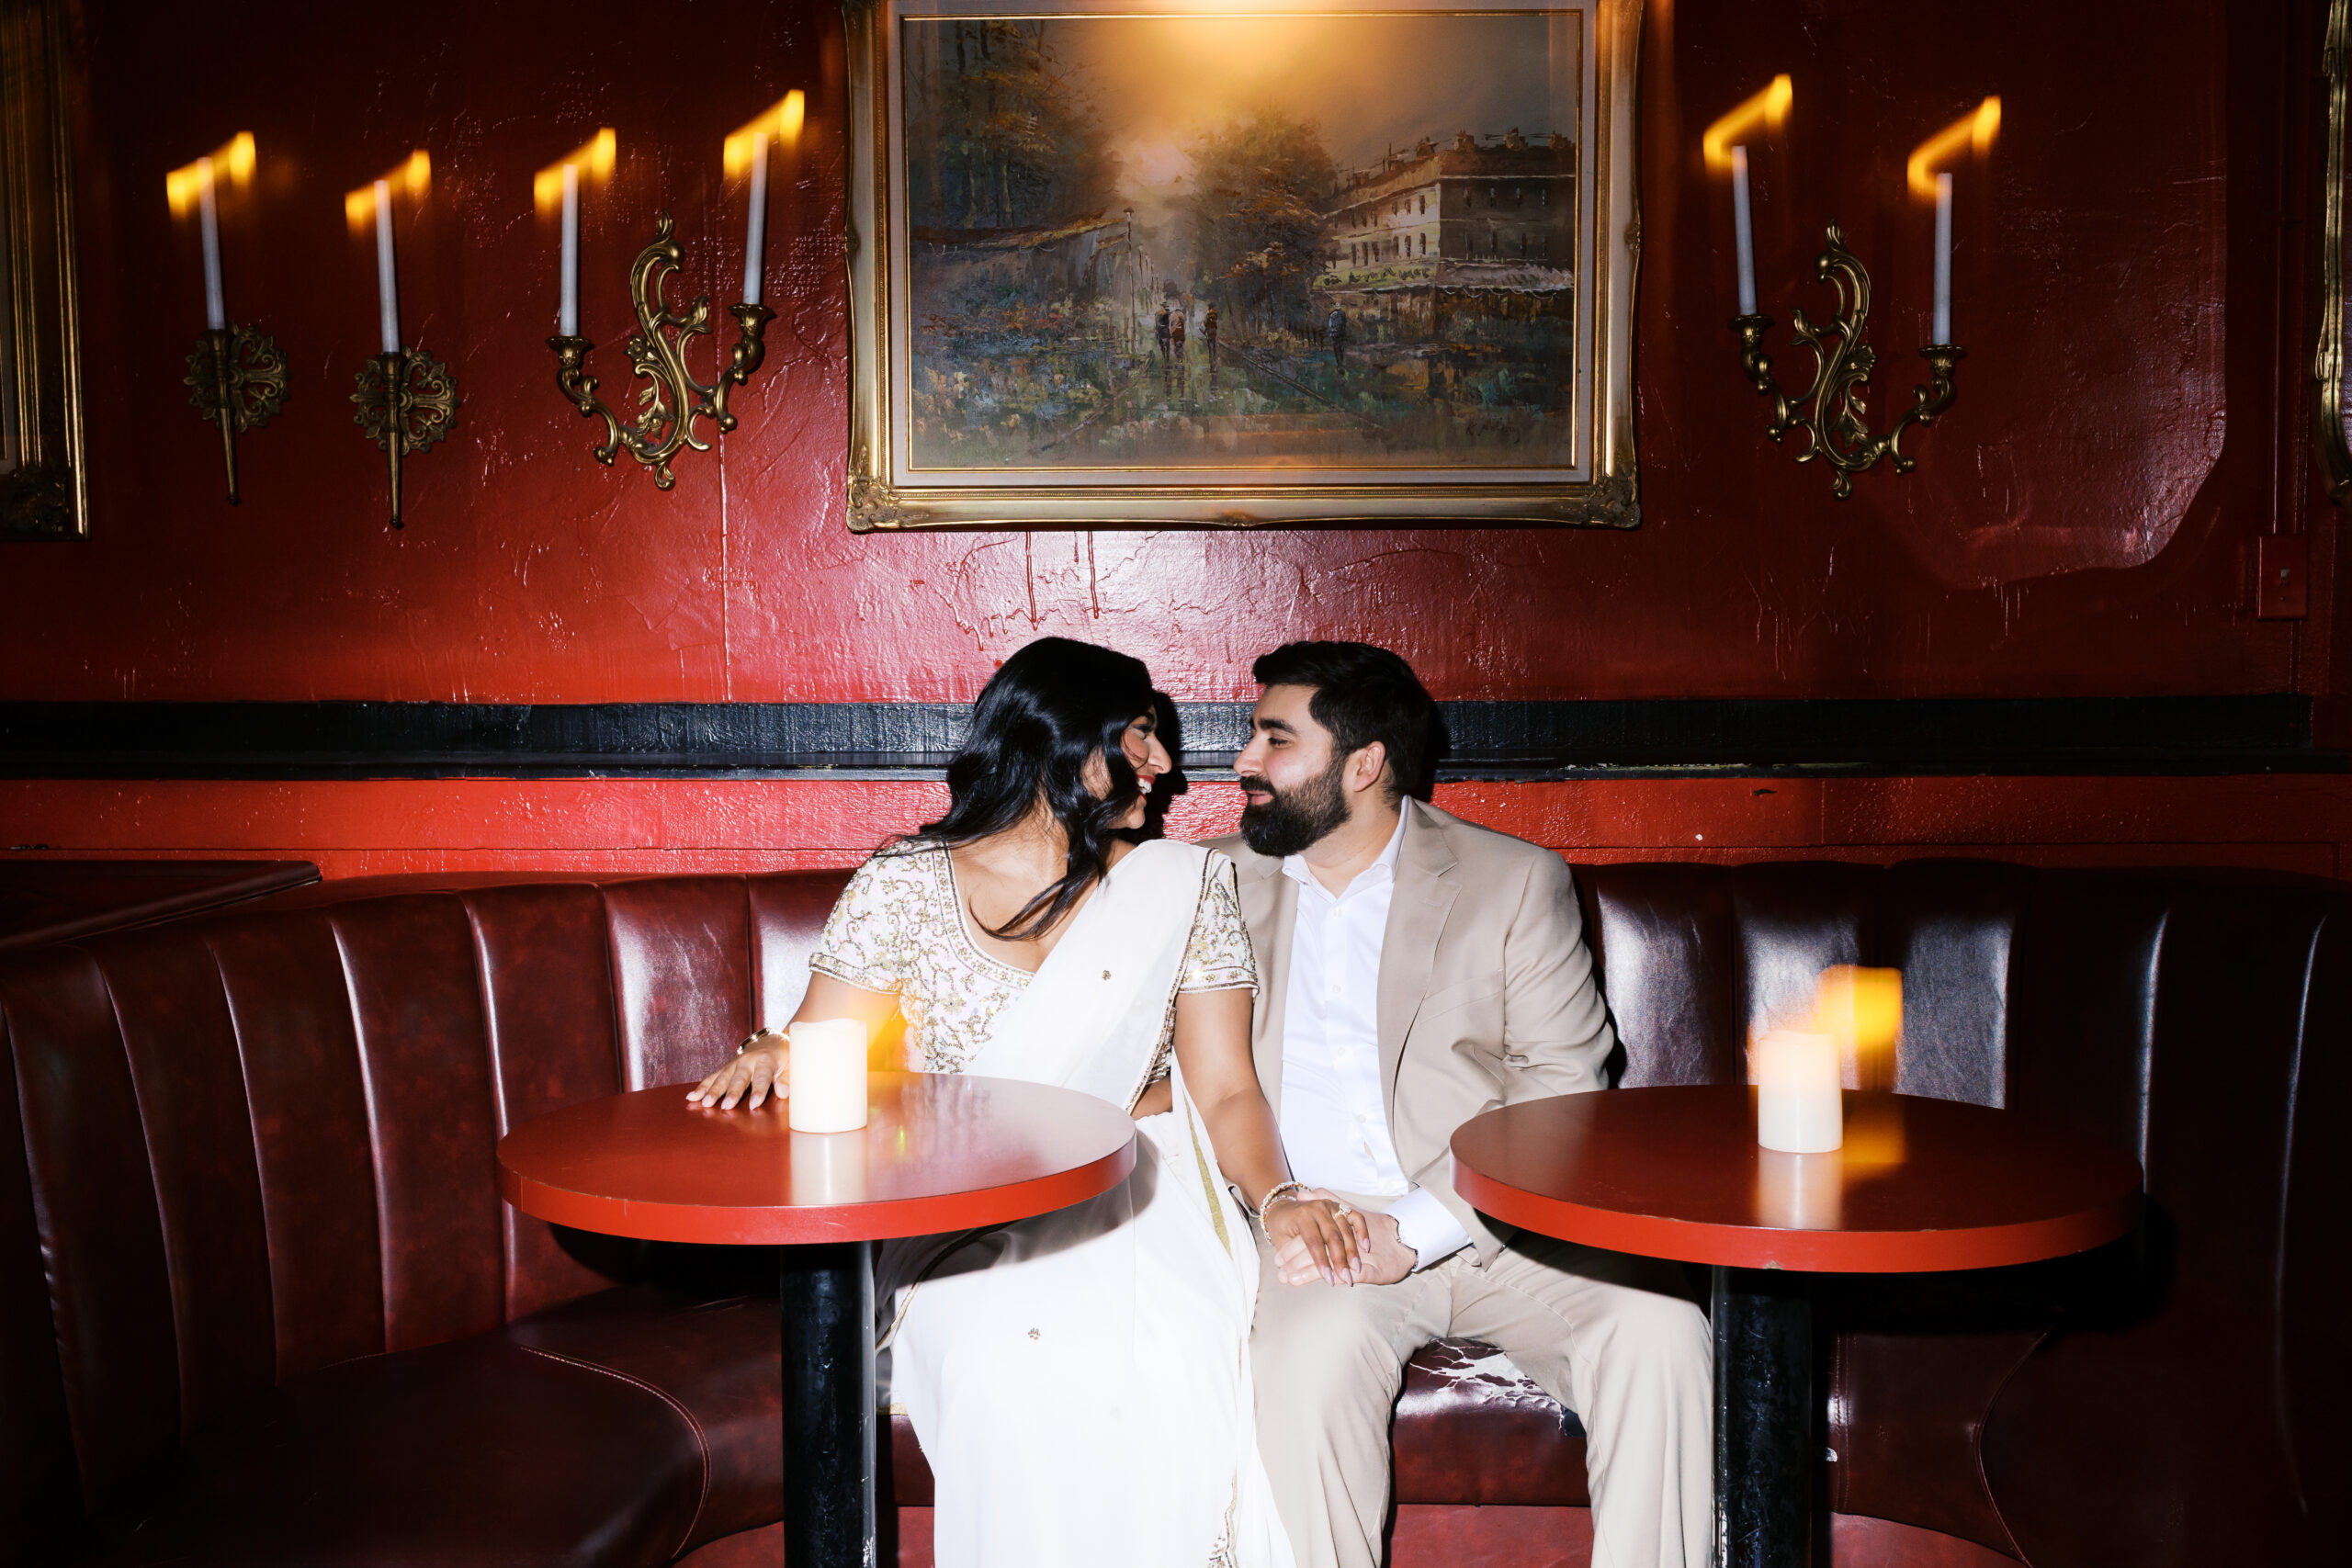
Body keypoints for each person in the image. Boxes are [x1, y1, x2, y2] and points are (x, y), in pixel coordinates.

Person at [689, 637, 1349, 1568]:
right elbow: (820, 1038)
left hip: (1140, 1190)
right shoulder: (906, 886)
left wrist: (1279, 1196)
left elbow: (1227, 1086)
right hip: (962, 1197)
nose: (1165, 766)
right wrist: (773, 1050)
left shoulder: (1178, 887)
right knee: (1012, 1370)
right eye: (1141, 736)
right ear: (1065, 743)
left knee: (1170, 1358)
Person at [1212, 641, 1713, 1568]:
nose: (1242, 761)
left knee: (1661, 1331)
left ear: (1362, 764)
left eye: (1273, 739)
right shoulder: (1209, 886)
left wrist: (1422, 1226)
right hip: (1317, 1229)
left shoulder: (1512, 882)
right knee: (1308, 1368)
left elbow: (1566, 1087)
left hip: (1500, 1220)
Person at [1326, 305, 1348, 370]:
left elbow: (1330, 325)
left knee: (1336, 346)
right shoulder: (1343, 313)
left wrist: (1332, 330)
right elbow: (1345, 323)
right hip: (1341, 332)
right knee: (1341, 345)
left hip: (1335, 333)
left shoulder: (1331, 314)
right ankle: (1341, 359)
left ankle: (1338, 361)